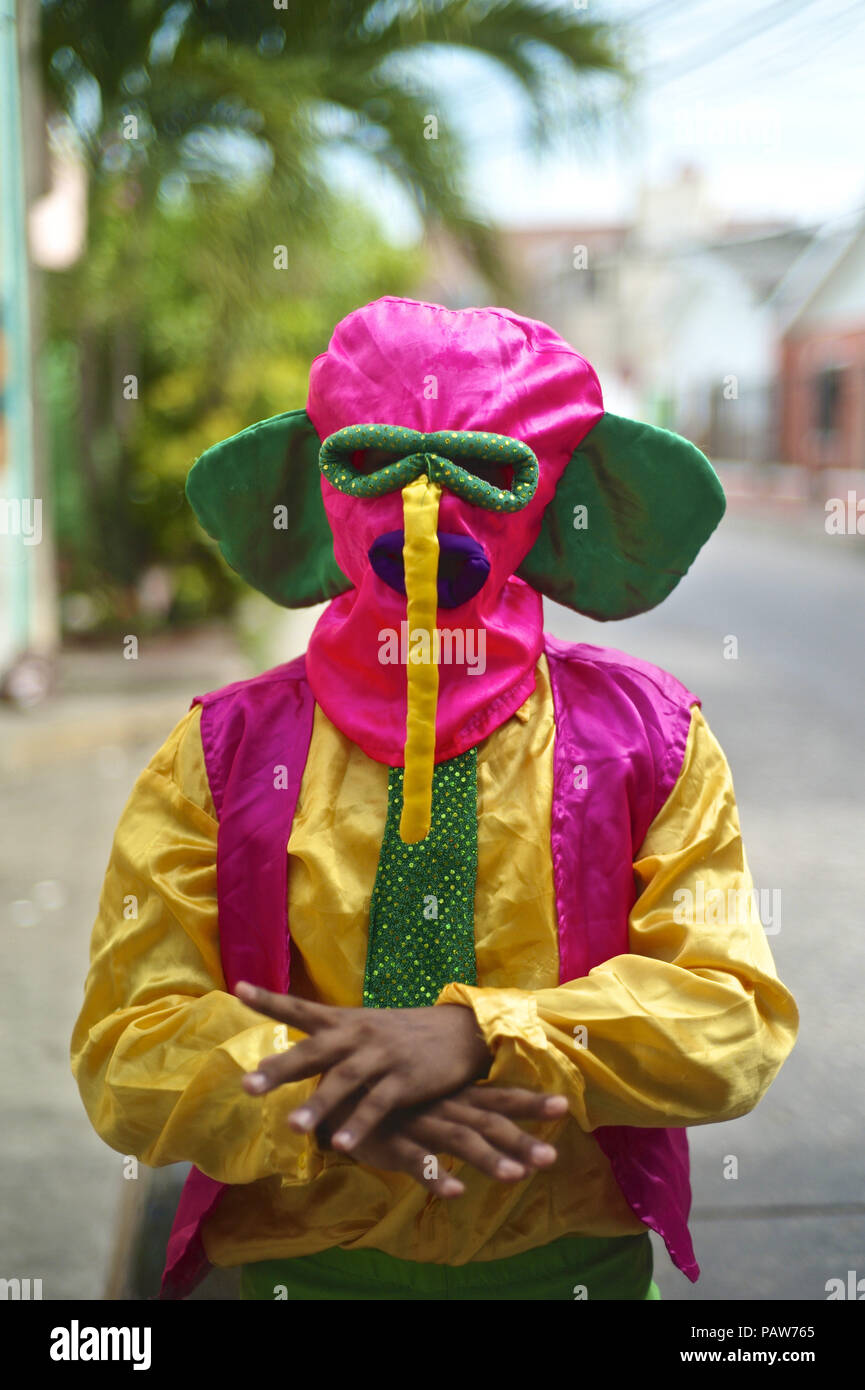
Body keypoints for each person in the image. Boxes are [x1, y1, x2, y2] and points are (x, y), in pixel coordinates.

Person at [71, 296, 798, 1302]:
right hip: (297, 1272)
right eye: (376, 463)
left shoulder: (650, 740)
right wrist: (337, 1098)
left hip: (571, 1269)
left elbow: (731, 1020)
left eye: (487, 472)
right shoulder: (220, 751)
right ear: (321, 484)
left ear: (551, 499)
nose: (425, 516)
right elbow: (125, 1047)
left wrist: (481, 1034)